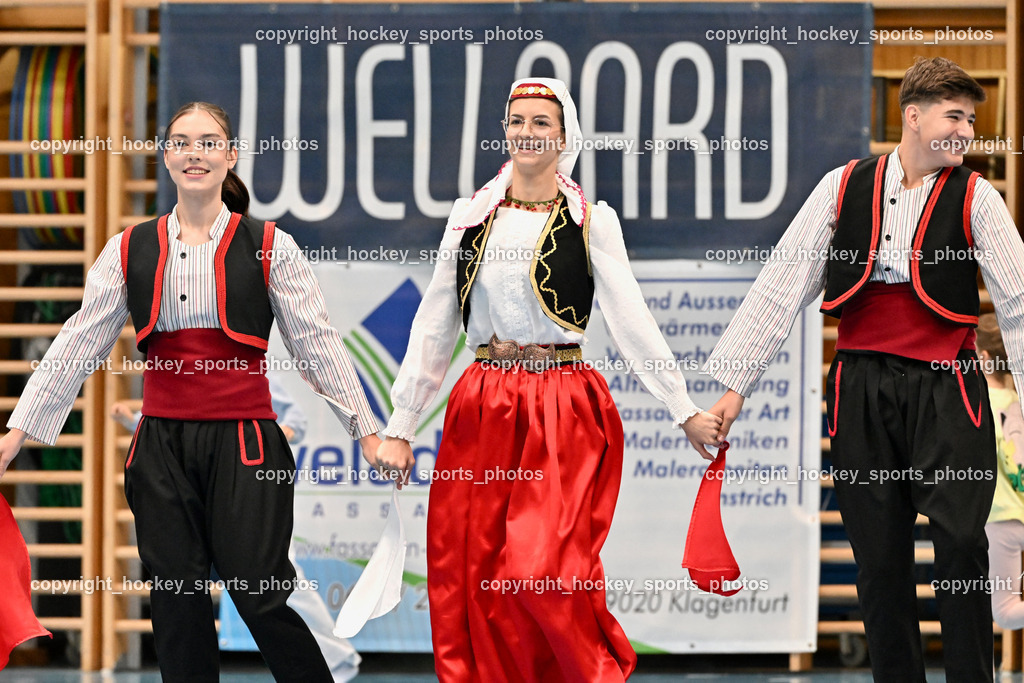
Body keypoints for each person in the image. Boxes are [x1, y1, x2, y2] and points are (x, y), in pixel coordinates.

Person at [0, 102, 382, 683]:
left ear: (231, 156)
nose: (194, 153)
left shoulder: (272, 246)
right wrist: (15, 434)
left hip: (246, 445)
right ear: (166, 157)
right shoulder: (128, 248)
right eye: (181, 141)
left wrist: (368, 433)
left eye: (208, 142)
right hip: (160, 446)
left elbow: (317, 345)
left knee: (260, 591)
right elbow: (77, 344)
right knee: (176, 601)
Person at [373, 78, 722, 681]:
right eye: (517, 121)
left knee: (545, 568)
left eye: (541, 122)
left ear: (565, 137)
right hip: (484, 400)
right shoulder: (469, 217)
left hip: (563, 403)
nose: (527, 132)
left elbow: (631, 319)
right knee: (475, 567)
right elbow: (436, 321)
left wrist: (681, 406)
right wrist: (401, 426)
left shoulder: (591, 221)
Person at [704, 57, 1024, 681]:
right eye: (954, 117)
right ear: (913, 116)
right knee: (878, 560)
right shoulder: (842, 186)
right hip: (860, 389)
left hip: (949, 389)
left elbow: (1017, 301)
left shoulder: (977, 195)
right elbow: (781, 285)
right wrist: (735, 386)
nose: (966, 131)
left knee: (962, 545)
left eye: (971, 120)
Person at [111, 375, 361, 681]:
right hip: (196, 482)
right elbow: (173, 419)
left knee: (268, 591)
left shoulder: (247, 369)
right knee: (182, 591)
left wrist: (279, 432)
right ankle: (336, 658)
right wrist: (133, 419)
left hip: (248, 473)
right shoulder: (174, 375)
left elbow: (296, 419)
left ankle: (338, 658)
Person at [977, 314, 1024, 629]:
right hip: (1018, 508)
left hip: (999, 516)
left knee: (1005, 612)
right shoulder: (1017, 402)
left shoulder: (977, 405)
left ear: (982, 357)